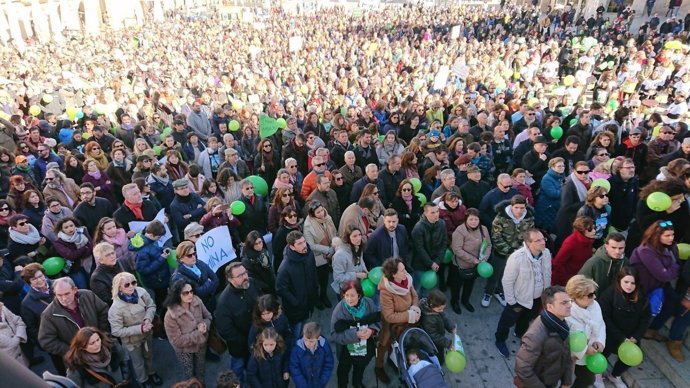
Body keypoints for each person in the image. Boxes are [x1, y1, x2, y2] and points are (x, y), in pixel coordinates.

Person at [629, 221, 688, 357]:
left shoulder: (672, 247)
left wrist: (671, 269)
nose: (671, 238)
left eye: (672, 234)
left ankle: (651, 331)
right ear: (657, 235)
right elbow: (664, 275)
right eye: (667, 235)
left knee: (672, 304)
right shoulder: (646, 250)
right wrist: (673, 268)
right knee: (643, 314)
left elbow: (674, 265)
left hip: (660, 286)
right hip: (644, 288)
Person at [495, 229, 551, 358]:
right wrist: (512, 302)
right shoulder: (517, 258)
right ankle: (500, 340)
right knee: (507, 321)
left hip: (537, 298)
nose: (543, 242)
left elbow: (547, 273)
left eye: (543, 239)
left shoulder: (546, 253)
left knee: (526, 319)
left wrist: (546, 293)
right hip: (519, 300)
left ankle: (520, 333)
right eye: (538, 240)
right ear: (528, 243)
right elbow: (507, 281)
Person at [38, 277, 110, 370]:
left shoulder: (88, 296)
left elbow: (103, 311)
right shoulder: (48, 315)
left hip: (101, 346)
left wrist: (101, 336)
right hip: (79, 360)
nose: (63, 298)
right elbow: (46, 341)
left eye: (67, 294)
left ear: (75, 290)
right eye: (59, 295)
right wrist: (73, 350)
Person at [598, 267, 650, 388]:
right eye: (626, 282)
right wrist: (621, 337)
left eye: (632, 283)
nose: (629, 286)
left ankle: (614, 375)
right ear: (619, 280)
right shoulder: (609, 294)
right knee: (603, 354)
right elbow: (604, 318)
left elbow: (645, 318)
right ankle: (597, 373)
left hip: (631, 336)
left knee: (627, 361)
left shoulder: (641, 296)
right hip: (610, 334)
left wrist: (636, 336)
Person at [514, 286, 574, 388]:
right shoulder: (536, 335)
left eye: (569, 301)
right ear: (550, 307)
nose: (569, 305)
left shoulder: (561, 324)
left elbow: (567, 353)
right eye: (564, 303)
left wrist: (566, 382)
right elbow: (523, 368)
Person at [108, 272, 160, 387]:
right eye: (127, 285)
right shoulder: (115, 308)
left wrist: (148, 318)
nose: (131, 286)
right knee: (138, 362)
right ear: (119, 288)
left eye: (133, 282)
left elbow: (151, 305)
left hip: (147, 334)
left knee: (149, 355)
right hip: (132, 341)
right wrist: (140, 328)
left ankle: (152, 373)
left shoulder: (141, 292)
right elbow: (116, 331)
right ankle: (144, 380)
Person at [483, 195, 535, 308]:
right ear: (511, 206)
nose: (519, 211)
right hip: (501, 252)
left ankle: (499, 292)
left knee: (508, 275)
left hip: (518, 253)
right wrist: (508, 250)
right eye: (516, 207)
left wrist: (520, 250)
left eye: (522, 208)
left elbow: (529, 235)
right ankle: (488, 292)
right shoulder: (501, 217)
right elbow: (496, 236)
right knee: (495, 273)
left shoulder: (529, 218)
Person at [375, 257, 420, 384]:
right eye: (402, 270)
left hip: (406, 322)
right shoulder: (386, 291)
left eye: (404, 268)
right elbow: (389, 316)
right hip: (390, 325)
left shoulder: (406, 280)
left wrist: (415, 308)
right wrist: (409, 315)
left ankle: (392, 360)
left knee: (399, 345)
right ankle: (378, 367)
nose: (405, 272)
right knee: (384, 344)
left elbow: (414, 295)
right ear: (393, 274)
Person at [216, 262, 261, 380]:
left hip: (259, 338)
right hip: (240, 347)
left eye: (245, 272)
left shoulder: (251, 283)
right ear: (230, 279)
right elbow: (225, 330)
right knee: (238, 370)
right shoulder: (224, 302)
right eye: (240, 275)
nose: (245, 277)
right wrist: (247, 340)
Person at [330, 280, 380, 388]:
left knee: (360, 367)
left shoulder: (369, 303)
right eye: (346, 295)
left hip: (365, 346)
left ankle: (357, 382)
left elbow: (377, 321)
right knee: (343, 370)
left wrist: (372, 331)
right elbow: (334, 334)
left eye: (352, 295)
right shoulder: (339, 310)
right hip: (346, 349)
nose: (348, 299)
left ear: (359, 294)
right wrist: (355, 334)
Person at [164, 280, 212, 384]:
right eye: (185, 293)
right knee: (189, 375)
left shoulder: (197, 301)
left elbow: (208, 317)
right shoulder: (170, 316)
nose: (190, 295)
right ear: (177, 295)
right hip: (185, 351)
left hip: (201, 344)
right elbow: (176, 340)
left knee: (201, 370)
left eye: (191, 291)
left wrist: (205, 325)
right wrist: (198, 333)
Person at [565, 275, 606, 388]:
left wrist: (600, 342)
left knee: (587, 379)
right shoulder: (566, 314)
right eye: (590, 295)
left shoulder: (595, 306)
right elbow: (566, 339)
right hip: (570, 356)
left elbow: (601, 325)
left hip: (590, 355)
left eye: (594, 293)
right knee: (564, 382)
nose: (594, 297)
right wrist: (584, 350)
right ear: (577, 296)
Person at [449, 208, 491, 314]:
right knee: (456, 286)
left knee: (470, 284)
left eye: (476, 219)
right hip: (460, 265)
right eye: (471, 219)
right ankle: (455, 302)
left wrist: (484, 258)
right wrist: (474, 260)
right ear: (466, 219)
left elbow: (488, 245)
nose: (473, 222)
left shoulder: (483, 229)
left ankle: (465, 301)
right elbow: (457, 249)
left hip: (476, 265)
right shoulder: (460, 231)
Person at [277, 231, 318, 337]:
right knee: (296, 335)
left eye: (304, 241)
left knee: (306, 330)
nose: (304, 245)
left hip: (308, 303)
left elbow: (313, 273)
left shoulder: (309, 254)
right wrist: (296, 302)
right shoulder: (285, 267)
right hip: (296, 310)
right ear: (292, 247)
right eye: (299, 243)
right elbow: (280, 289)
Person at [303, 200, 337, 308]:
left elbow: (334, 232)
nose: (322, 213)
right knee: (316, 280)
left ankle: (323, 295)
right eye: (318, 212)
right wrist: (327, 249)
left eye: (322, 210)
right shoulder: (308, 225)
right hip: (317, 256)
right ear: (312, 214)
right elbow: (311, 245)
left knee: (324, 279)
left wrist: (333, 245)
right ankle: (317, 299)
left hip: (331, 250)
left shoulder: (328, 217)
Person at [411, 202, 447, 296]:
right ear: (425, 213)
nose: (436, 214)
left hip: (434, 262)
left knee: (427, 288)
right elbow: (419, 249)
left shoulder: (442, 223)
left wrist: (437, 261)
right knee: (416, 288)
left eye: (437, 211)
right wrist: (431, 263)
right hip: (420, 264)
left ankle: (423, 304)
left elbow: (444, 243)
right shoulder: (418, 228)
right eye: (432, 212)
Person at [19, 263, 52, 368]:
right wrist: (45, 343)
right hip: (54, 340)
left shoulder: (58, 285)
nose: (39, 280)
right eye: (34, 279)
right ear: (29, 282)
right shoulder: (27, 303)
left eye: (40, 276)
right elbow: (32, 328)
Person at [171, 241, 219, 312]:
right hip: (197, 309)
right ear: (181, 258)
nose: (193, 257)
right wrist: (209, 283)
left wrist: (208, 289)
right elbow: (198, 293)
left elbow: (215, 279)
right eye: (189, 255)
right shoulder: (178, 277)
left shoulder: (199, 262)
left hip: (212, 301)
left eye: (194, 253)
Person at [132, 221, 171, 307]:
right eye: (158, 237)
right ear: (151, 235)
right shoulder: (143, 251)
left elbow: (154, 250)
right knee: (161, 300)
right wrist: (162, 258)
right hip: (156, 281)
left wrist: (162, 250)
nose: (159, 239)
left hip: (159, 278)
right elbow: (143, 270)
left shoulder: (149, 241)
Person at [551, 216, 596, 286]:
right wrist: (567, 280)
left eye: (594, 228)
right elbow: (557, 263)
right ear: (582, 230)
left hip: (580, 277)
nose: (594, 231)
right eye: (590, 229)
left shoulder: (588, 240)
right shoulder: (570, 243)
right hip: (567, 281)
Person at [289, 322, 335, 388]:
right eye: (305, 340)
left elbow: (328, 364)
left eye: (311, 341)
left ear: (318, 338)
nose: (307, 343)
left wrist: (322, 381)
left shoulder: (324, 346)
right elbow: (294, 367)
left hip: (319, 384)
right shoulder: (297, 349)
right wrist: (302, 385)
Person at [53, 216, 93, 289]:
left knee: (93, 284)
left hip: (89, 263)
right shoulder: (58, 242)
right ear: (61, 229)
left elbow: (91, 247)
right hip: (75, 268)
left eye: (71, 226)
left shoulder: (82, 232)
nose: (70, 229)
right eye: (66, 227)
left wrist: (78, 253)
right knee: (83, 287)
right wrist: (84, 248)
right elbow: (71, 255)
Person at [419, 289, 455, 364]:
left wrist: (451, 326)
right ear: (432, 306)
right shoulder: (428, 319)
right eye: (440, 309)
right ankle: (438, 363)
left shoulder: (435, 309)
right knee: (438, 355)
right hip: (433, 343)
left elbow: (444, 317)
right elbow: (434, 336)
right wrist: (448, 343)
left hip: (438, 338)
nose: (442, 310)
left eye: (443, 308)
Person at [0, 300, 27, 366]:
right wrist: (16, 340)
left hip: (22, 358)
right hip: (8, 367)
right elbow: (11, 344)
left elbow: (19, 322)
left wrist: (18, 337)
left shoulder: (2, 307)